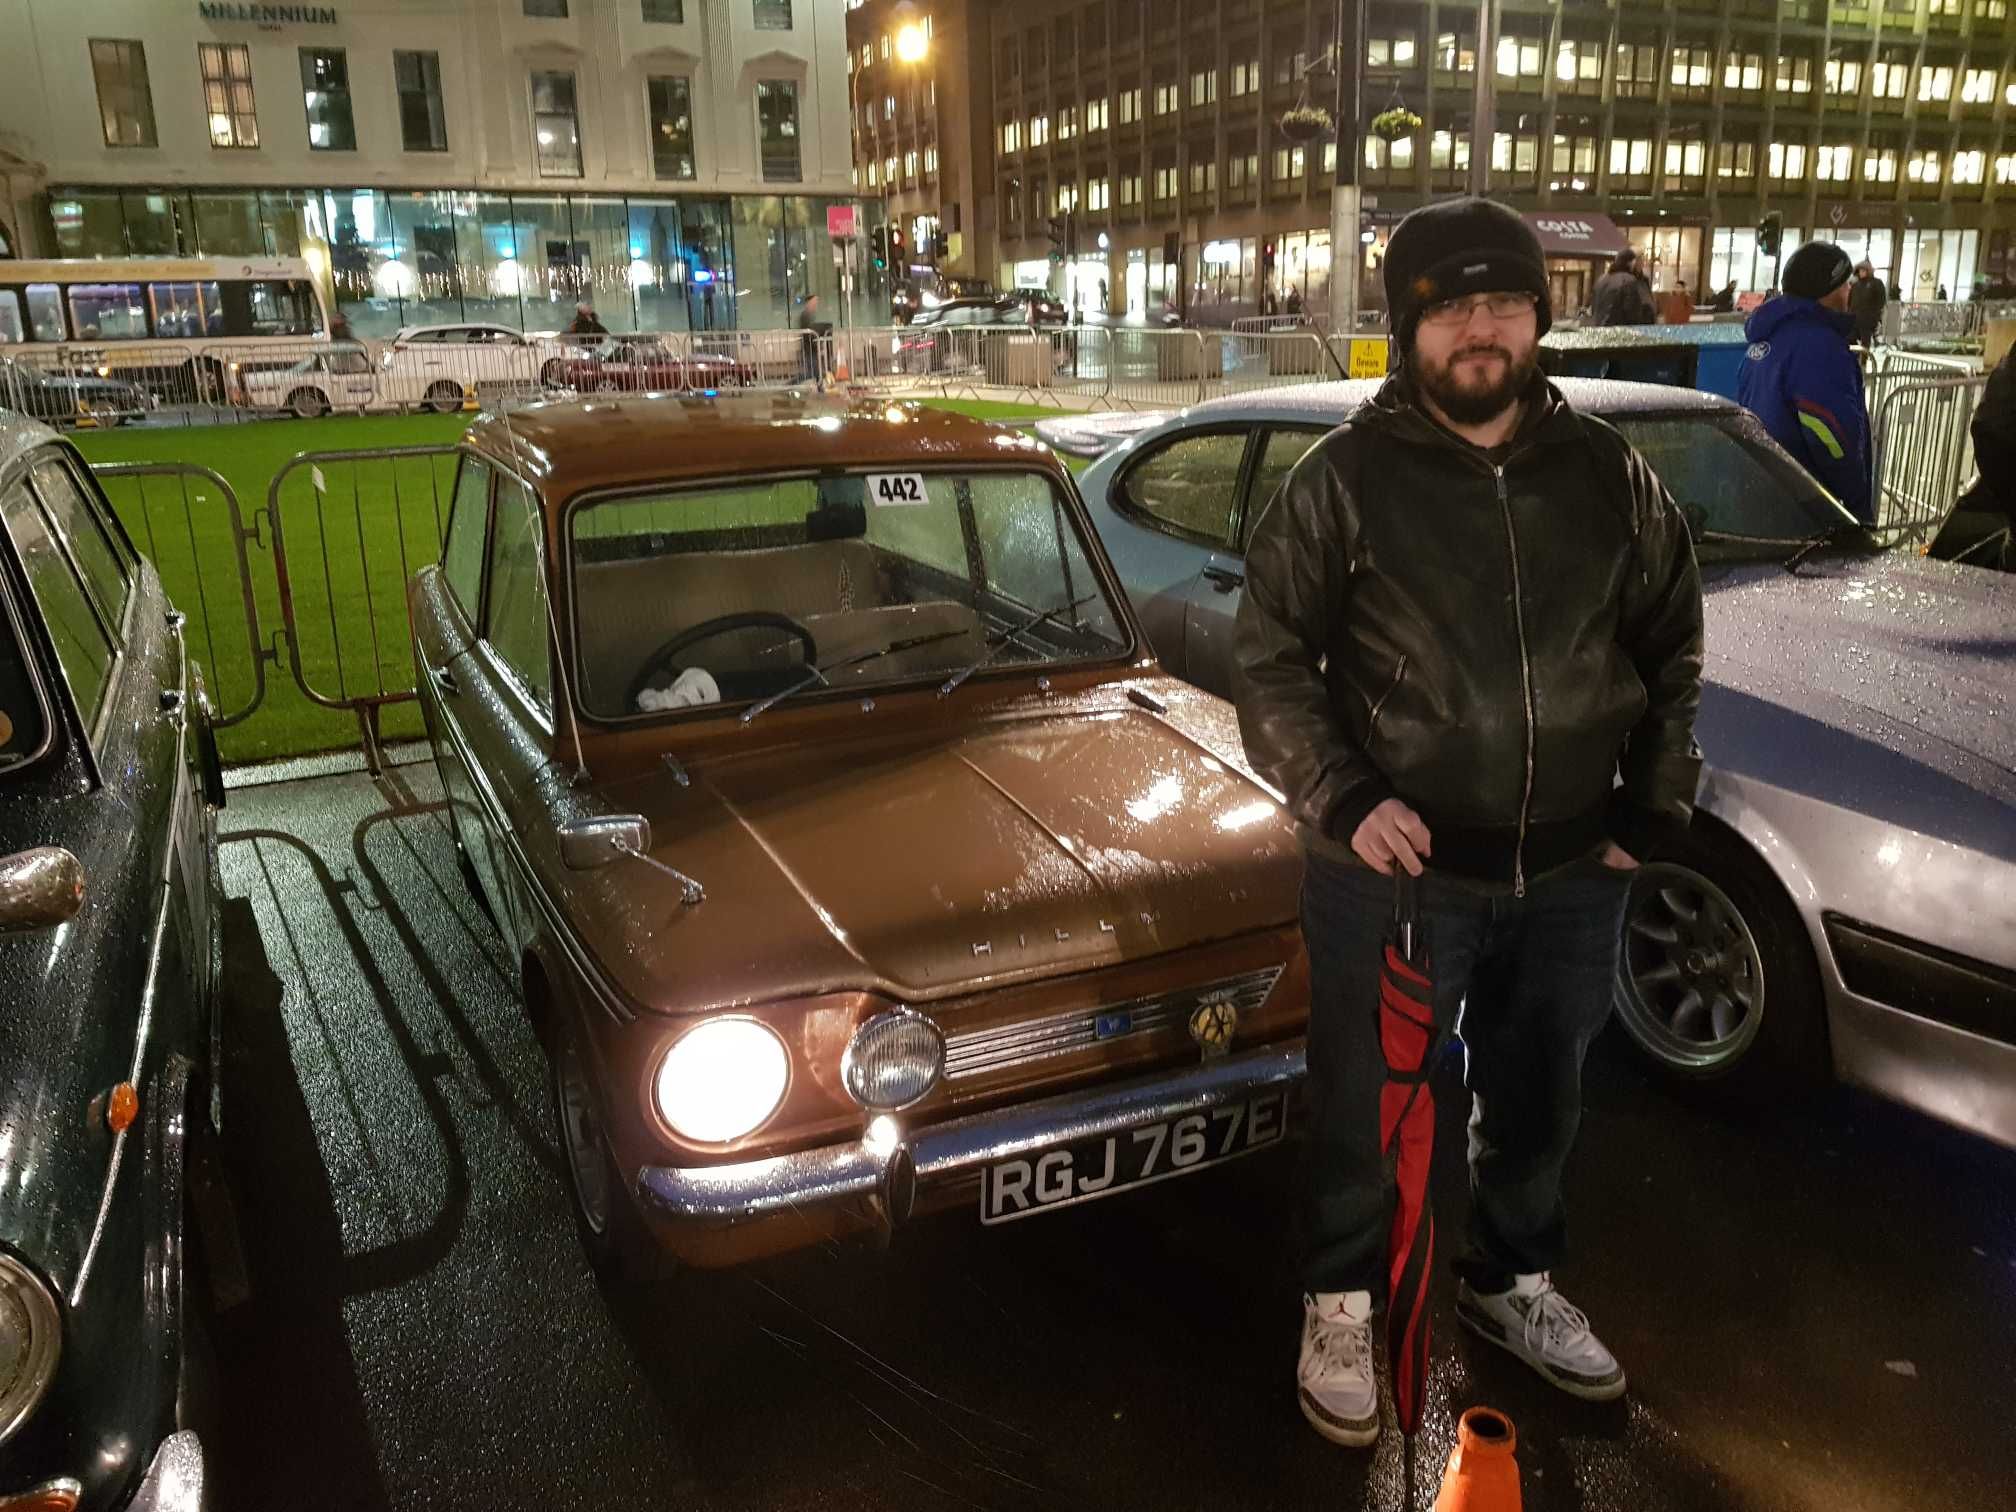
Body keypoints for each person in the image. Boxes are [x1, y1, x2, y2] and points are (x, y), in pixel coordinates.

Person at [1232, 197, 1704, 1449]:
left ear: (1539, 319)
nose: (1480, 329)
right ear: (1409, 327)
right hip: (1393, 868)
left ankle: (1511, 1280)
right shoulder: (1343, 482)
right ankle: (1341, 1299)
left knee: (1543, 1092)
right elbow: (1266, 655)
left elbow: (1671, 640)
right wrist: (1343, 796)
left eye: (1504, 303)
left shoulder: (1608, 476)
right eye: (1450, 307)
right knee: (1362, 1100)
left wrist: (1652, 801)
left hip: (1572, 864)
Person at [1736, 241, 1874, 524]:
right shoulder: (1820, 347)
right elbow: (1832, 436)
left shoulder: (1767, 338)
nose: (1849, 291)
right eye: (1845, 284)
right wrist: (1854, 504)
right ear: (1828, 291)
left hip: (1763, 495)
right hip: (1808, 511)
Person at [1590, 248, 1657, 326]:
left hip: (1599, 327)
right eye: (1640, 259)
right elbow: (1633, 312)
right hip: (1620, 329)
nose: (1643, 263)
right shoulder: (1629, 280)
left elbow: (1593, 306)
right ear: (1632, 263)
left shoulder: (1601, 279)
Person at [1848, 260, 1887, 348]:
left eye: (1863, 270)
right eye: (1860, 271)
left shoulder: (1876, 283)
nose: (1861, 272)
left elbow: (1881, 300)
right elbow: (1850, 300)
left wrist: (1876, 316)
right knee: (1850, 338)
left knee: (1865, 342)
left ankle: (1864, 356)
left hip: (1868, 318)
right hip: (1854, 317)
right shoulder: (1855, 285)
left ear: (1868, 271)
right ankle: (1856, 354)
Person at [796, 293, 828, 391]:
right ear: (808, 302)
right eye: (814, 301)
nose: (816, 304)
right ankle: (790, 384)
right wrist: (816, 344)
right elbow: (808, 333)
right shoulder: (805, 315)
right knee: (811, 373)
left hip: (811, 348)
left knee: (815, 372)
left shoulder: (810, 315)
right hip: (808, 349)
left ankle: (821, 389)